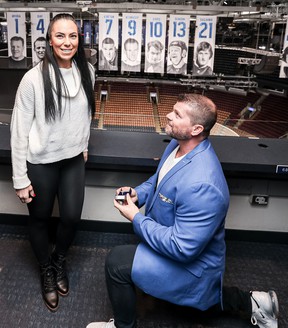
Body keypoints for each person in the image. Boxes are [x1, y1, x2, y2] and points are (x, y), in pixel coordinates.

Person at [86, 93, 279, 328]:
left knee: (117, 262)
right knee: (203, 304)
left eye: (177, 115)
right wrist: (139, 194)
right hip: (175, 245)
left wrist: (135, 217)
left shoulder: (203, 185)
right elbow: (158, 181)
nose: (168, 115)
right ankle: (254, 302)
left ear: (196, 129)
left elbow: (181, 248)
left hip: (191, 266)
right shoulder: (178, 146)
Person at [10, 13, 95, 312]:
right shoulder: (32, 79)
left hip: (72, 160)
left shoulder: (88, 72)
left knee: (71, 218)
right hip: (41, 163)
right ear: (49, 40)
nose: (67, 42)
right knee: (40, 220)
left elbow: (86, 116)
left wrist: (82, 145)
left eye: (72, 36)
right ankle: (46, 270)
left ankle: (59, 261)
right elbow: (19, 130)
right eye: (60, 36)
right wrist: (20, 178)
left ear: (79, 39)